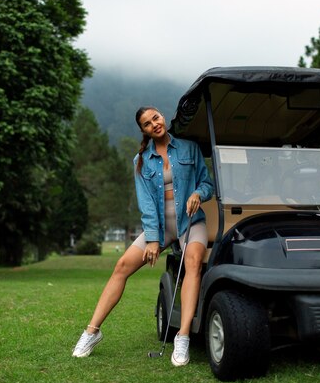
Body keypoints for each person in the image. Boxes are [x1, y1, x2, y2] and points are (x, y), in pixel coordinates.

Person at [72, 106, 214, 366]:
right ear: (144, 131)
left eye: (156, 118)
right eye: (148, 124)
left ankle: (182, 338)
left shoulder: (189, 148)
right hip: (159, 228)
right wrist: (151, 239)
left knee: (193, 262)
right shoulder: (140, 161)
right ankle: (92, 331)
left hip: (191, 223)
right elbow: (147, 203)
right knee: (121, 266)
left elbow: (207, 183)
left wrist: (198, 194)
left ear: (163, 117)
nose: (154, 124)